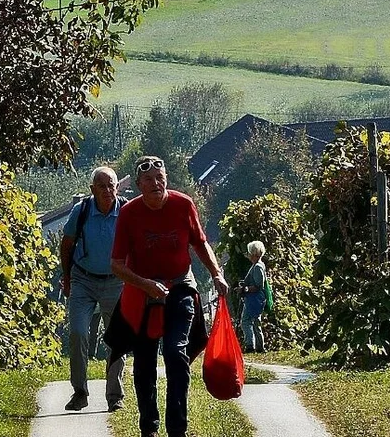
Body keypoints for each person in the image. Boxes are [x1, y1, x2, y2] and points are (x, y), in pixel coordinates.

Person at [110, 155, 231, 437]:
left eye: (160, 178)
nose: (156, 184)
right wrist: (145, 284)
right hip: (143, 292)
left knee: (176, 353)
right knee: (145, 361)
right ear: (139, 185)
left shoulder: (183, 204)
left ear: (166, 180)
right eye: (149, 180)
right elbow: (116, 265)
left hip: (180, 287)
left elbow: (200, 243)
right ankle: (148, 428)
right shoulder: (129, 213)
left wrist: (216, 273)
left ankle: (178, 429)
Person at [59, 167, 126, 412]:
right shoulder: (82, 211)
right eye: (102, 186)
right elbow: (66, 246)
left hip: (117, 281)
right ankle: (80, 392)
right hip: (83, 279)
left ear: (117, 187)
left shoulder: (127, 211)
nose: (108, 191)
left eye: (112, 186)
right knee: (77, 333)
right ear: (92, 189)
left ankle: (115, 395)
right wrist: (67, 278)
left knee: (117, 338)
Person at [240, 241, 268, 354]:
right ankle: (260, 347)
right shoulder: (259, 265)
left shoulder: (257, 267)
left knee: (246, 321)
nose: (248, 255)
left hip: (254, 299)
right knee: (256, 322)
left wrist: (244, 289)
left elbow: (258, 285)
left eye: (250, 253)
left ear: (254, 254)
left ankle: (250, 345)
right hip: (257, 299)